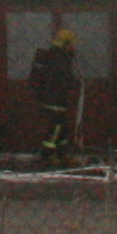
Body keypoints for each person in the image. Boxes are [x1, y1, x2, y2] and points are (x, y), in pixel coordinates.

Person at [27, 27, 80, 165]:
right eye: (71, 44)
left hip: (53, 97)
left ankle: (63, 154)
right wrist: (73, 82)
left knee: (63, 126)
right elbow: (62, 77)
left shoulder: (55, 55)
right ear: (66, 43)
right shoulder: (59, 57)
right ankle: (47, 154)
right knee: (56, 126)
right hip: (54, 98)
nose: (73, 47)